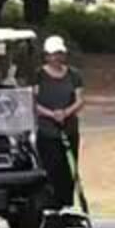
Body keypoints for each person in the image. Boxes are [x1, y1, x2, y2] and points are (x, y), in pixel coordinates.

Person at [34, 36, 86, 209]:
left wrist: (65, 113)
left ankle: (67, 205)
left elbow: (79, 100)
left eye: (59, 53)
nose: (56, 57)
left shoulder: (74, 75)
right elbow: (32, 102)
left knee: (69, 169)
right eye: (52, 54)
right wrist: (52, 114)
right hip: (47, 131)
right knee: (52, 169)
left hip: (69, 129)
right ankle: (52, 206)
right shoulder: (38, 75)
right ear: (46, 56)